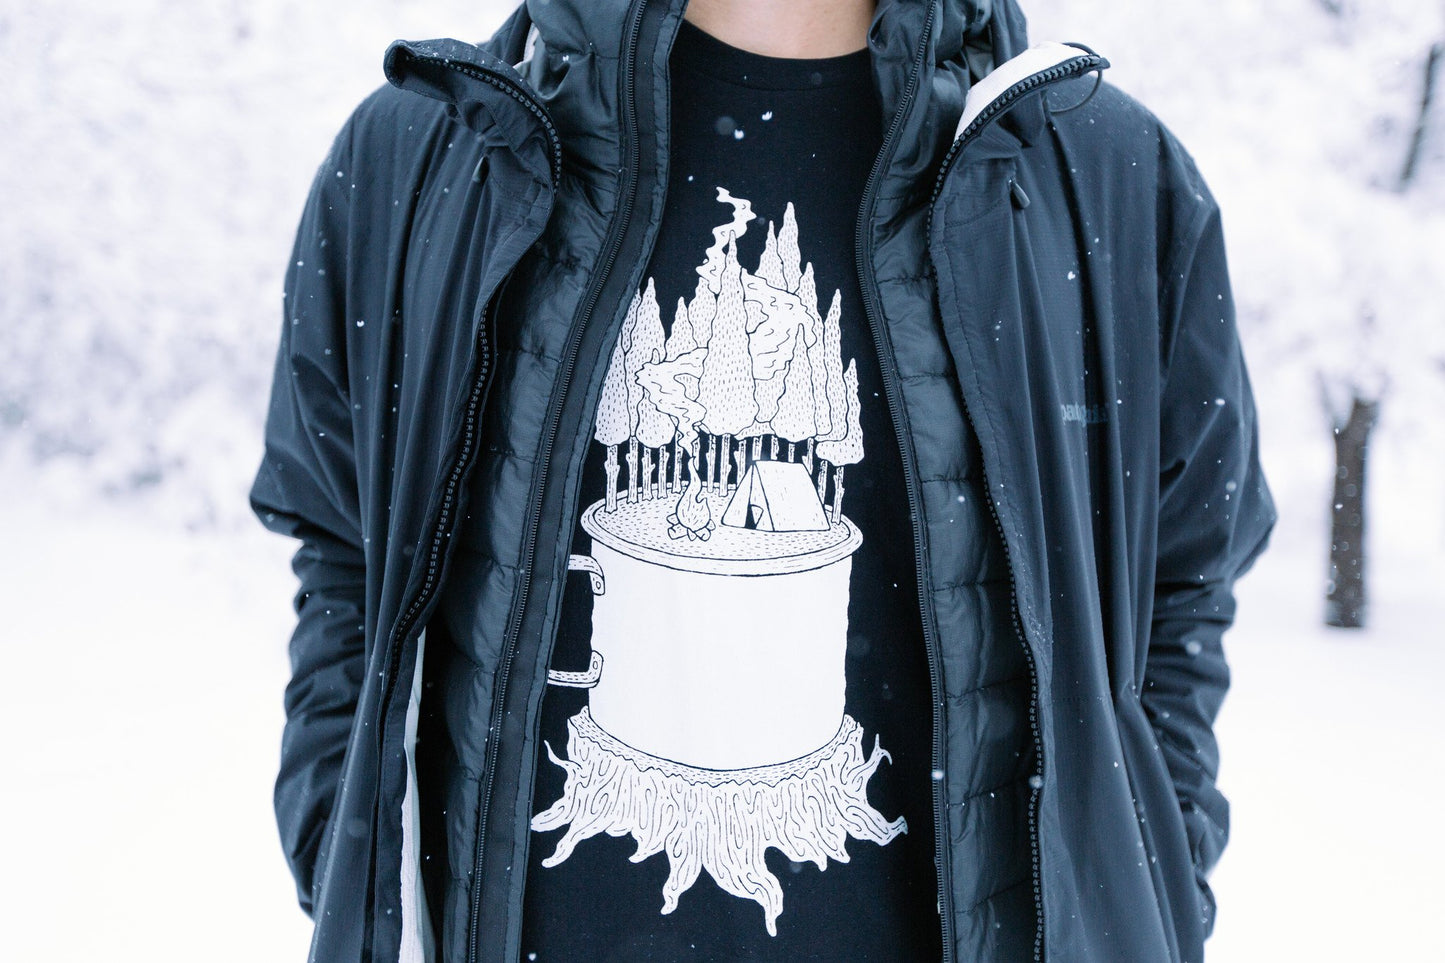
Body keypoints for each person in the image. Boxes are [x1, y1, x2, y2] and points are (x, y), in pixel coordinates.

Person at [251, 0, 1274, 960]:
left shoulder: (1092, 176)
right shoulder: (436, 154)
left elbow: (1179, 582)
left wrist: (1151, 880)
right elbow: (340, 555)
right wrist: (341, 852)